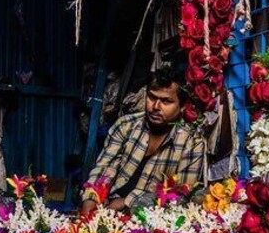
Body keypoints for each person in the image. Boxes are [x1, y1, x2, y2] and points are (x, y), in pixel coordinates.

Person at [82, 74, 205, 214]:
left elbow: (180, 196)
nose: (156, 107)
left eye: (166, 101)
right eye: (152, 97)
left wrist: (127, 201)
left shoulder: (192, 143)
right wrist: (91, 198)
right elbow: (104, 168)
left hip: (151, 217)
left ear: (182, 106)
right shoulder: (126, 125)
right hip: (108, 207)